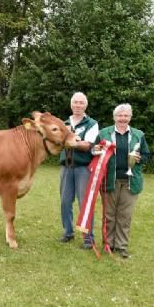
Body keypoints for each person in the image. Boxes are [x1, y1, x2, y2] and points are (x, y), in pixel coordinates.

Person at [94, 103, 149, 259]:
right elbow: (95, 149)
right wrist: (96, 151)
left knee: (125, 215)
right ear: (114, 117)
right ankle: (108, 244)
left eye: (126, 115)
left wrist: (139, 159)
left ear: (130, 117)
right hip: (109, 179)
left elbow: (146, 154)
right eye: (120, 115)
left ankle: (121, 246)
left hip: (131, 181)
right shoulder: (104, 133)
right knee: (109, 214)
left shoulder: (139, 135)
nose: (122, 118)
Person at [58, 92, 99, 249]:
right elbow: (56, 142)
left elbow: (87, 145)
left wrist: (68, 141)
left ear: (85, 105)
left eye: (81, 103)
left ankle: (88, 238)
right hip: (65, 168)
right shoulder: (63, 123)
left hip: (83, 168)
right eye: (75, 102)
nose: (78, 105)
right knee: (65, 202)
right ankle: (68, 233)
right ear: (71, 104)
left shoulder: (92, 124)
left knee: (84, 204)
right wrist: (72, 140)